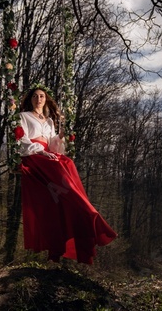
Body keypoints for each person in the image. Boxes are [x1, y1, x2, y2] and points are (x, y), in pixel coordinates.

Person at [18, 84, 117, 264]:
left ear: (45, 99)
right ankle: (78, 203)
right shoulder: (23, 117)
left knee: (68, 162)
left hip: (48, 154)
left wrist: (61, 137)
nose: (38, 99)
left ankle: (82, 207)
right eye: (34, 96)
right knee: (58, 167)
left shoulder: (48, 121)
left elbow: (53, 144)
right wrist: (40, 151)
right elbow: (22, 139)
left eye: (41, 96)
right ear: (30, 99)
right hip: (34, 155)